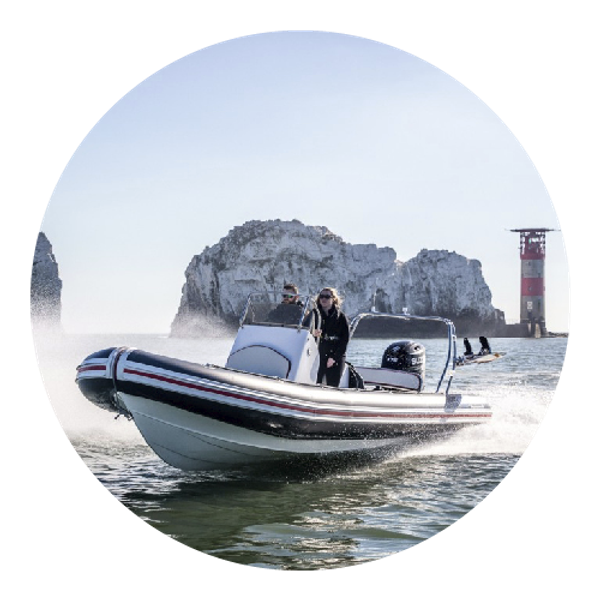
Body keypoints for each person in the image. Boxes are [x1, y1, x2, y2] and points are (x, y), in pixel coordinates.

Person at [314, 287, 350, 387]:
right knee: (315, 380)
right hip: (318, 354)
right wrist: (313, 333)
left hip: (335, 353)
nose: (323, 299)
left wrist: (334, 358)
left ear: (333, 299)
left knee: (333, 383)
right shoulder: (314, 315)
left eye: (327, 297)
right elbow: (305, 330)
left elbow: (344, 340)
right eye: (321, 296)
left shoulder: (341, 317)